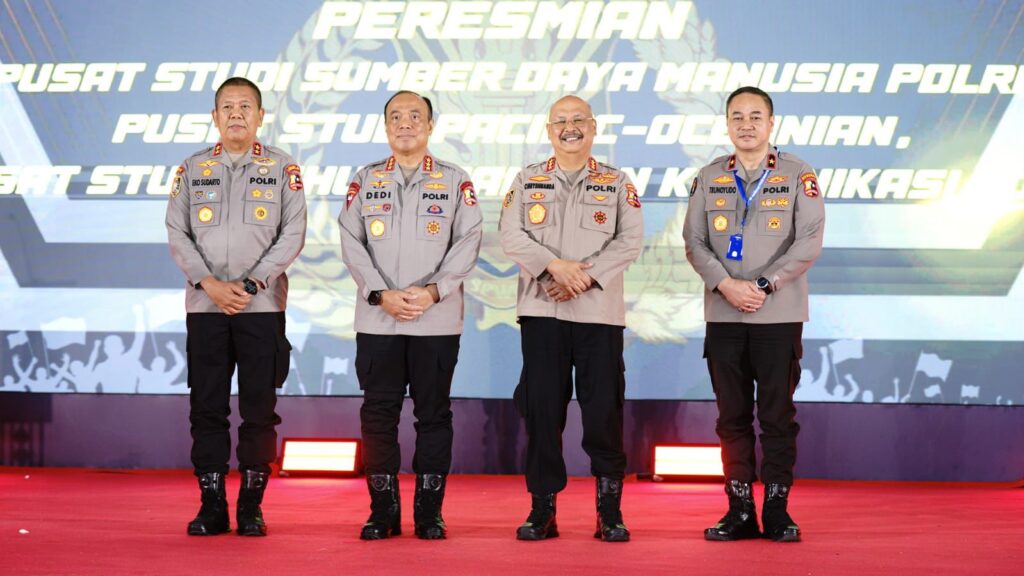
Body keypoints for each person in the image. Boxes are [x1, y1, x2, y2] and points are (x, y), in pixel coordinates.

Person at [338, 90, 483, 540]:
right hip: (378, 319)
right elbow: (350, 240)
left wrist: (434, 291)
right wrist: (379, 293)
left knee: (434, 414)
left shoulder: (455, 180)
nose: (405, 123)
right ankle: (382, 512)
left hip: (435, 320)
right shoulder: (365, 180)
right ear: (386, 126)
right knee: (378, 414)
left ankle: (429, 514)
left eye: (415, 116)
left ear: (430, 125)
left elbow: (469, 241)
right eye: (396, 116)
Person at [683, 86, 825, 542]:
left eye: (755, 116)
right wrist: (726, 285)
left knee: (777, 416)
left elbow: (809, 241)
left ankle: (777, 511)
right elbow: (694, 242)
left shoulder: (798, 173)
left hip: (777, 314)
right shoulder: (709, 176)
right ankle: (740, 509)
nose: (746, 124)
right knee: (731, 417)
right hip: (724, 314)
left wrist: (764, 284)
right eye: (737, 116)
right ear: (727, 123)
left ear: (771, 123)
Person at [166, 77, 307, 537]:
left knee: (259, 409)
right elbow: (177, 232)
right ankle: (211, 505)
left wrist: (250, 283)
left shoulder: (283, 169)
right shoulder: (192, 169)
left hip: (260, 306)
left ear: (261, 116)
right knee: (206, 407)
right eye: (227, 107)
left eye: (245, 106)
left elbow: (293, 234)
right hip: (205, 306)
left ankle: (251, 506)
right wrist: (209, 283)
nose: (236, 114)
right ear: (214, 116)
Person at [498, 95, 644, 542]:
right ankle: (542, 510)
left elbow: (630, 241)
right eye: (560, 121)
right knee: (542, 411)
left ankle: (609, 512)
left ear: (594, 127)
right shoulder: (527, 180)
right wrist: (553, 268)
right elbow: (510, 235)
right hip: (543, 311)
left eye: (578, 119)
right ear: (549, 130)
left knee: (604, 413)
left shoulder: (617, 182)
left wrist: (583, 278)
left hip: (598, 314)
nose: (570, 127)